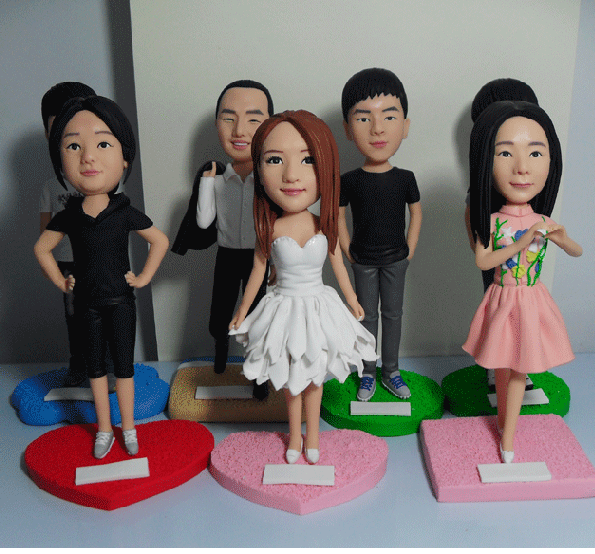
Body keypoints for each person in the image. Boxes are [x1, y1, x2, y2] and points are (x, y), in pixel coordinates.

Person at [228, 110, 376, 464]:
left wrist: (352, 298)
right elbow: (258, 272)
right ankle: (295, 435)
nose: (292, 175)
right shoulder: (270, 230)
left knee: (315, 376)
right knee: (291, 377)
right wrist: (242, 310)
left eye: (308, 160)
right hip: (283, 307)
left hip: (318, 306)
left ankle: (314, 437)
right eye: (275, 160)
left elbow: (338, 264)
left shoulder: (323, 225)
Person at [34, 96, 169, 459]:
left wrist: (144, 277)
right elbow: (42, 249)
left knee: (123, 368)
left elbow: (159, 240)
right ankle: (105, 430)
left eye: (103, 144)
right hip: (87, 304)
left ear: (124, 158)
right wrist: (61, 282)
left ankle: (129, 428)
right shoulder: (69, 215)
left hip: (121, 301)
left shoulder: (124, 211)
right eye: (73, 146)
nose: (88, 157)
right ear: (60, 159)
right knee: (95, 370)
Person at [462, 100, 582, 463]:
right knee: (502, 365)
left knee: (520, 368)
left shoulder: (543, 220)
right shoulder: (493, 221)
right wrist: (520, 242)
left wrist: (561, 237)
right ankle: (504, 425)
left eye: (535, 153)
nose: (522, 167)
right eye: (505, 153)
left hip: (531, 300)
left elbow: (576, 250)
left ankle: (509, 437)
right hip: (502, 297)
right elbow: (483, 260)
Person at [171, 81, 273, 398]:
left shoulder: (269, 178)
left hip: (258, 258)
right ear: (217, 123)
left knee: (258, 315)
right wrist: (206, 183)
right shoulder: (216, 178)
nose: (239, 130)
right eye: (228, 118)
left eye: (253, 119)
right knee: (221, 311)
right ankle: (219, 359)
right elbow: (204, 222)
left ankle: (259, 375)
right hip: (226, 255)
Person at [338, 68, 422, 402]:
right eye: (363, 118)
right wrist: (348, 250)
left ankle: (392, 371)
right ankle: (367, 372)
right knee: (366, 316)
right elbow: (336, 216)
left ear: (405, 125)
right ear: (348, 128)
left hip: (396, 259)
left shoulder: (405, 178)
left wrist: (409, 249)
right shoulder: (349, 180)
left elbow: (416, 213)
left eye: (389, 116)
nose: (377, 128)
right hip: (362, 260)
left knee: (393, 315)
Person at [39, 81, 96, 387]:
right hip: (67, 264)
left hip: (99, 260)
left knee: (104, 312)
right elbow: (45, 232)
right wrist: (47, 262)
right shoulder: (51, 187)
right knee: (74, 315)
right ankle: (78, 365)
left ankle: (107, 366)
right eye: (58, 127)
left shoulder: (104, 181)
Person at [464, 78, 539, 293]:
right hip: (499, 262)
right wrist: (481, 245)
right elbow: (471, 212)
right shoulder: (486, 182)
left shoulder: (532, 177)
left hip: (528, 264)